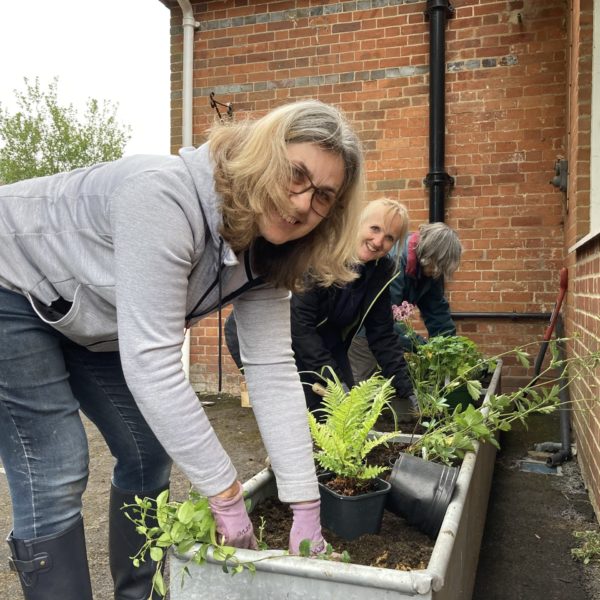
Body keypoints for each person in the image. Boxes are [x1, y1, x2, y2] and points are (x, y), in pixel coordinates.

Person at [0, 99, 364, 600]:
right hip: (12, 285)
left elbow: (273, 368)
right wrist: (227, 495)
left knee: (147, 451)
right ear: (262, 157)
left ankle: (140, 595)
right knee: (57, 464)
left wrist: (305, 506)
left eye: (323, 195)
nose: (303, 203)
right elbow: (152, 363)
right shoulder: (162, 197)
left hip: (83, 311)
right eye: (294, 174)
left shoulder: (267, 252)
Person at [225, 197, 415, 414]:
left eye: (389, 237)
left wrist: (408, 389)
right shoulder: (323, 252)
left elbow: (382, 335)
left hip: (322, 339)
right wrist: (334, 381)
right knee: (295, 412)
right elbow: (299, 324)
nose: (378, 241)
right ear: (358, 223)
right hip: (265, 334)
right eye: (374, 228)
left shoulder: (379, 271)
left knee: (345, 412)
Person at [348, 222, 463, 384]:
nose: (437, 272)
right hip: (363, 333)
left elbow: (438, 313)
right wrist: (424, 347)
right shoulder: (395, 263)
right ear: (427, 254)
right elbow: (386, 320)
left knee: (384, 389)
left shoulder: (430, 270)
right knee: (359, 389)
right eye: (436, 266)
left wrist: (449, 350)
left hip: (385, 335)